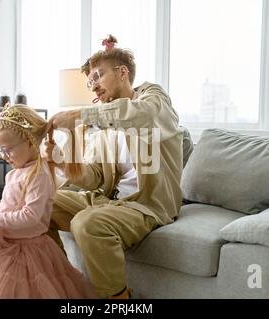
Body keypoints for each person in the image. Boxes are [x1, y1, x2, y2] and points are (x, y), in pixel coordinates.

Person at [44, 35, 184, 299]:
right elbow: (94, 177)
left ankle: (118, 302)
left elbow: (143, 115)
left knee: (88, 223)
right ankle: (65, 285)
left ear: (122, 73)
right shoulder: (103, 125)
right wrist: (62, 161)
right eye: (90, 82)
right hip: (108, 201)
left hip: (146, 205)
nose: (94, 87)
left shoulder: (153, 98)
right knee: (41, 202)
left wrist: (79, 114)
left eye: (98, 76)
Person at [0, 104, 96, 299]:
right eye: (0, 151)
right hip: (7, 242)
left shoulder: (38, 175)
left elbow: (29, 216)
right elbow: (6, 208)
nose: (4, 156)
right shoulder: (16, 173)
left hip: (28, 250)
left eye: (8, 150)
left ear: (31, 143)